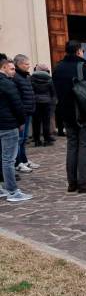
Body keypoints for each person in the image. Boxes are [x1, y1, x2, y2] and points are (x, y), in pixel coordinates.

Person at [52, 40, 86, 193]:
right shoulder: (83, 68)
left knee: (72, 145)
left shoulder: (58, 68)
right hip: (85, 113)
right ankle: (83, 181)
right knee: (85, 146)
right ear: (79, 51)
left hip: (66, 114)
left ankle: (72, 182)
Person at [0, 59, 32, 202]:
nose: (14, 72)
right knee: (8, 159)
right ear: (4, 67)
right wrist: (21, 122)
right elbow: (17, 105)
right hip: (8, 125)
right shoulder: (7, 84)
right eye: (11, 69)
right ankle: (12, 191)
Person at [12, 54, 38, 173]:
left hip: (28, 111)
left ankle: (24, 160)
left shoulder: (25, 76)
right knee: (19, 139)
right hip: (22, 113)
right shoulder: (16, 77)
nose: (28, 66)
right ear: (19, 64)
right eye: (26, 64)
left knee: (23, 139)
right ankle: (18, 163)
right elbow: (17, 98)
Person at [30, 63, 56, 147]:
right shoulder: (49, 78)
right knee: (46, 122)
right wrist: (53, 100)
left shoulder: (31, 78)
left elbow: (30, 91)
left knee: (36, 122)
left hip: (35, 102)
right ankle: (47, 139)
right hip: (46, 102)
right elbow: (53, 92)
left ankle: (37, 140)